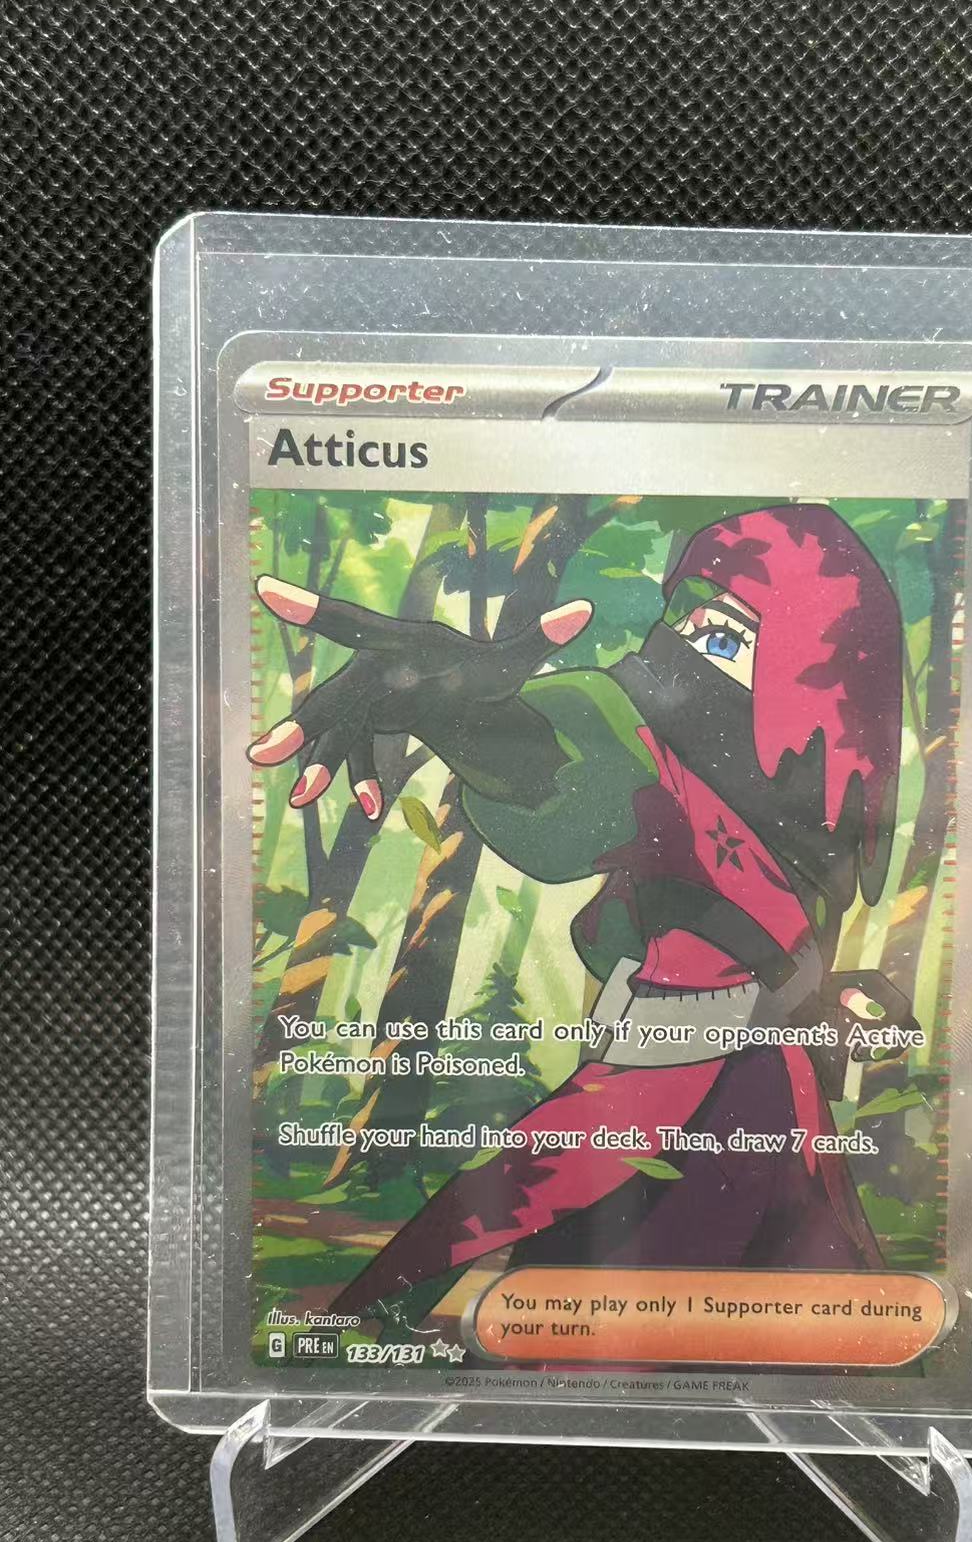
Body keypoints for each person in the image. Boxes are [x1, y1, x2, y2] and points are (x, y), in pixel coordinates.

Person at [249, 504, 916, 1332]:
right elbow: (583, 754)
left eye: (724, 637)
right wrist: (454, 709)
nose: (672, 658)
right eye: (686, 621)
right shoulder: (692, 782)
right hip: (674, 1104)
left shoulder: (757, 817)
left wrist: (819, 998)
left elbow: (636, 797)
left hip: (721, 1116)